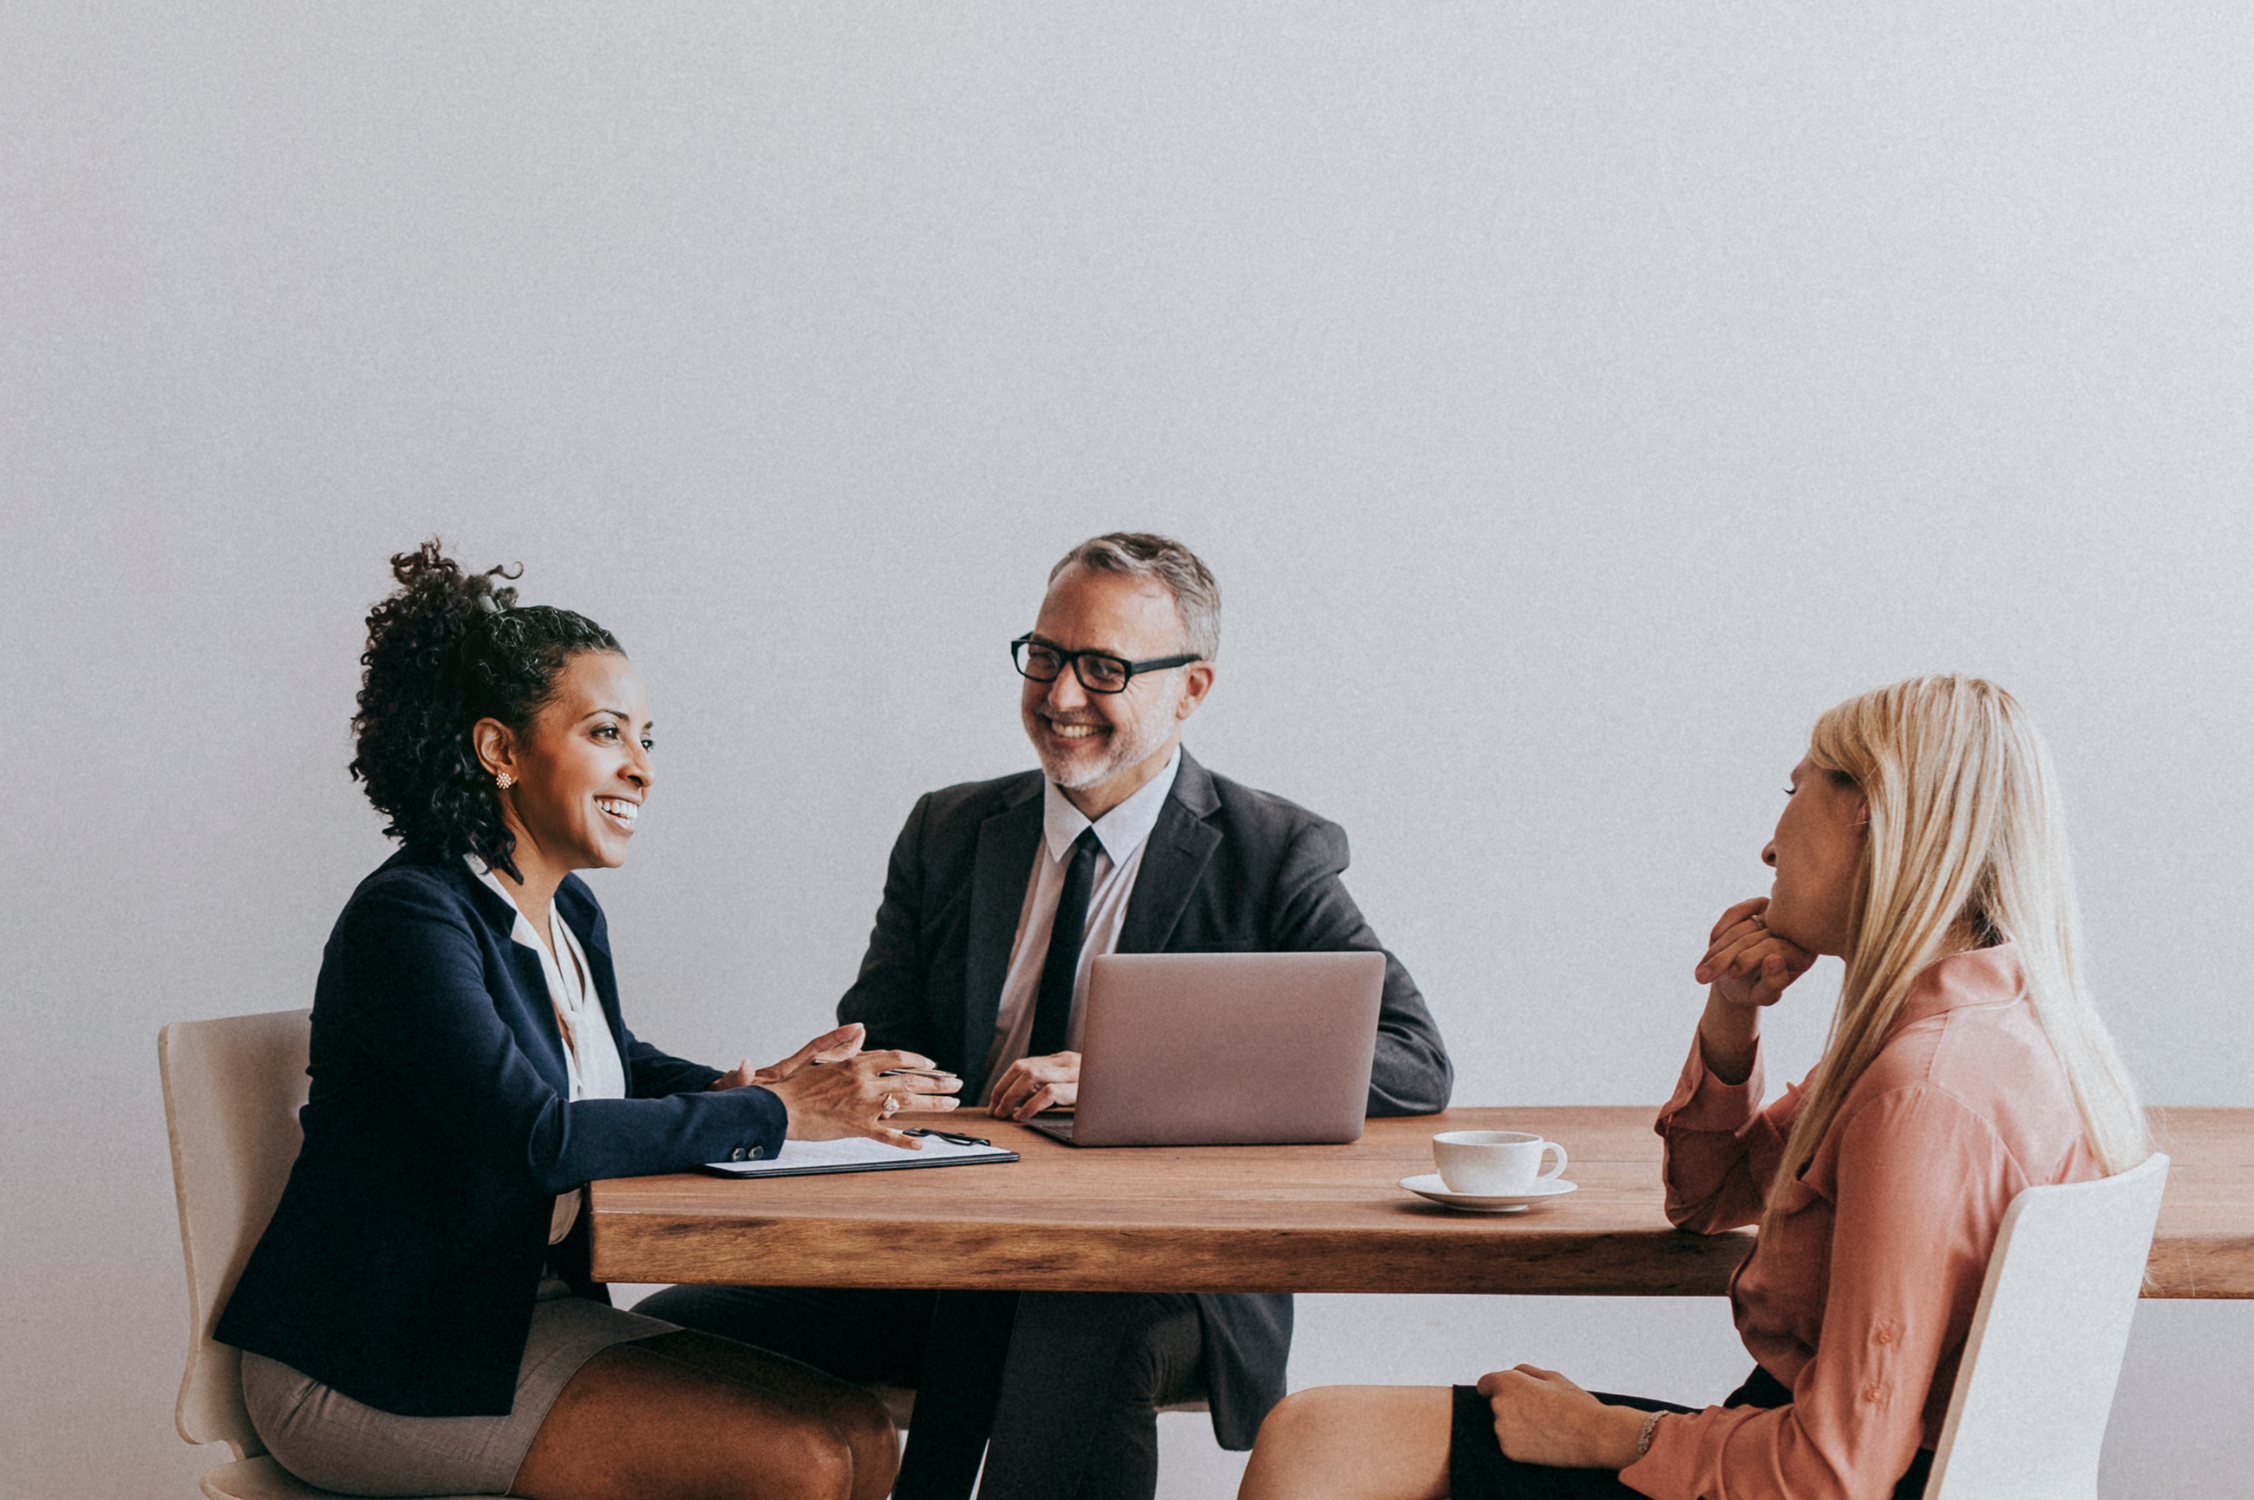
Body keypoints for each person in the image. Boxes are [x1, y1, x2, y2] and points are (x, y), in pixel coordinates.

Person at [640, 532, 1454, 1500]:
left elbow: (1413, 1062)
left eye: (1103, 668)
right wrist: (815, 1090)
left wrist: (1128, 1075)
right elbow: (878, 1044)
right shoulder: (946, 832)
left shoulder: (1271, 854)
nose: (1060, 696)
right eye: (1045, 656)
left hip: (1165, 1269)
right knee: (660, 1339)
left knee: (1076, 1325)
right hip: (945, 1251)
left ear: (1191, 689)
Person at [1235, 674, 2150, 1500]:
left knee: (1314, 1443)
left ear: (1868, 810)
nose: (1768, 845)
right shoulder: (1978, 1026)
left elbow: (1839, 1471)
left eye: (1794, 793)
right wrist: (1733, 1013)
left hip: (1810, 1475)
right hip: (1814, 1448)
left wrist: (1609, 1436)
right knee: (1325, 1436)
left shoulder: (1925, 1093)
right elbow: (1706, 1198)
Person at [216, 542, 960, 1500]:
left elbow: (609, 1068)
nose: (641, 770)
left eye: (648, 739)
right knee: (803, 1461)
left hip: (512, 1315)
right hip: (372, 1360)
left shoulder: (565, 911)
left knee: (861, 1431)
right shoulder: (412, 916)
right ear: (500, 750)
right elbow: (535, 1133)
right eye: (609, 733)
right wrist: (778, 1114)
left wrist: (745, 1087)